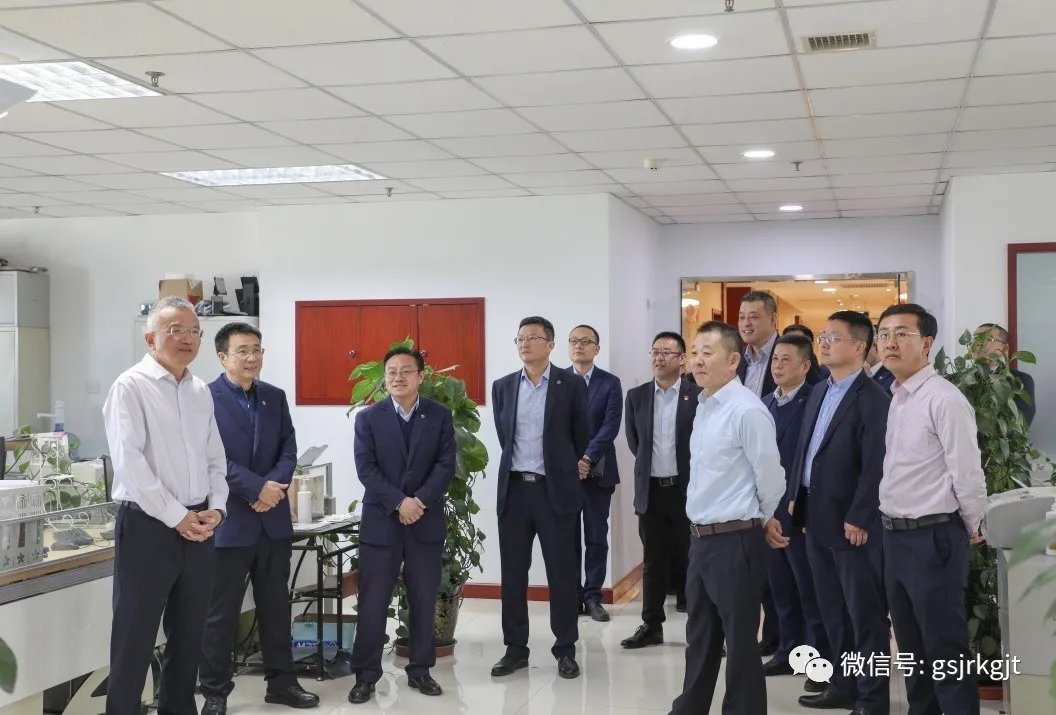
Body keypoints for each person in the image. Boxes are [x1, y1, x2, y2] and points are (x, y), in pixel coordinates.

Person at [101, 296, 229, 715]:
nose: (187, 339)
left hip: (199, 526)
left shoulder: (199, 390)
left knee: (189, 637)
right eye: (176, 330)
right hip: (148, 528)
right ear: (150, 337)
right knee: (134, 638)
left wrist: (217, 509)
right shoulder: (130, 386)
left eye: (194, 332)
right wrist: (177, 517)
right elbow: (130, 463)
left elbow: (215, 458)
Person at [199, 322, 318, 714]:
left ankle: (282, 683)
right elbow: (211, 457)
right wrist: (256, 489)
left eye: (257, 350)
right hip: (230, 521)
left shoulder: (274, 397)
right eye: (243, 351)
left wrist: (274, 488)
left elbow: (289, 447)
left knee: (276, 607)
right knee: (221, 613)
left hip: (272, 520)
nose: (252, 358)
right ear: (222, 357)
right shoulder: (205, 398)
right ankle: (215, 690)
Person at [671, 321, 785, 715]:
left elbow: (771, 476)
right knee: (700, 635)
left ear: (734, 360)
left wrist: (763, 516)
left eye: (708, 353)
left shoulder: (747, 410)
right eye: (695, 352)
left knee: (739, 640)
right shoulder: (704, 406)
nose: (698, 361)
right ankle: (689, 708)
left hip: (735, 539)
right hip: (701, 538)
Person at [878, 304, 987, 715]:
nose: (889, 342)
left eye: (901, 333)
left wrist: (973, 524)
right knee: (910, 646)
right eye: (884, 333)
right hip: (895, 536)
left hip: (933, 537)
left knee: (944, 646)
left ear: (926, 343)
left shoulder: (944, 399)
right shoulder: (898, 397)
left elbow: (967, 471)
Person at [785, 310, 891, 714]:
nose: (824, 343)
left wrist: (861, 515)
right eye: (823, 336)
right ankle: (844, 685)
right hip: (816, 514)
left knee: (864, 615)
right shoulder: (818, 391)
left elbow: (876, 464)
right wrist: (795, 495)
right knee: (831, 608)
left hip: (852, 522)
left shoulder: (874, 398)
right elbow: (805, 449)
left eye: (834, 337)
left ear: (860, 346)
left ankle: (872, 699)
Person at [347, 347, 456, 703]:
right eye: (391, 371)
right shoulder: (368, 418)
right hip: (383, 521)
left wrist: (418, 501)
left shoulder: (439, 415)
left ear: (421, 376)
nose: (398, 377)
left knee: (423, 598)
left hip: (425, 520)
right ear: (385, 378)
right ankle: (365, 675)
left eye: (406, 371)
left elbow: (445, 465)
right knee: (373, 601)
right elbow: (366, 469)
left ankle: (420, 670)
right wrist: (399, 502)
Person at [491, 316, 588, 680]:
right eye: (520, 338)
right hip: (515, 491)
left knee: (561, 573)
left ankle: (565, 649)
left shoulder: (570, 384)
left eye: (533, 337)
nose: (525, 343)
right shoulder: (502, 387)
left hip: (555, 491)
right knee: (513, 574)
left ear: (550, 344)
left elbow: (580, 435)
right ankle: (515, 649)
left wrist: (562, 469)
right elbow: (505, 436)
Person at [620, 332, 701, 650]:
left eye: (667, 352)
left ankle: (700, 630)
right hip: (652, 491)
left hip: (687, 491)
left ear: (682, 359)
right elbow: (635, 443)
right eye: (655, 351)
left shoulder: (698, 395)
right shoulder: (637, 396)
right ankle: (651, 625)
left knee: (692, 561)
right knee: (653, 562)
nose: (659, 357)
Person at [759, 334, 828, 692]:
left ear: (805, 365)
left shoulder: (814, 400)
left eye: (786, 360)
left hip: (797, 508)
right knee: (779, 588)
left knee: (809, 589)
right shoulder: (765, 402)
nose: (778, 366)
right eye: (775, 360)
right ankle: (788, 651)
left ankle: (818, 656)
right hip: (768, 510)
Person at [566, 325, 624, 622]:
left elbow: (610, 426)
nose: (579, 346)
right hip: (565, 474)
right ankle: (572, 596)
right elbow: (552, 426)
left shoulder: (610, 383)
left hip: (598, 472)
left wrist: (586, 457)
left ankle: (592, 597)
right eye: (574, 341)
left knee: (596, 537)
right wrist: (571, 461)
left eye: (585, 341)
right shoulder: (558, 381)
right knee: (567, 538)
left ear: (596, 349)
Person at [972, 323, 1036, 425]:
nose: (979, 342)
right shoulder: (956, 380)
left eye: (988, 338)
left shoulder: (1020, 380)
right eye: (976, 337)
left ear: (1004, 349)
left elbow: (1021, 421)